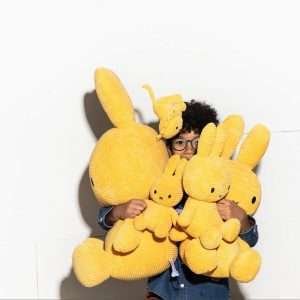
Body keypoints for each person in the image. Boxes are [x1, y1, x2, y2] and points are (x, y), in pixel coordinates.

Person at [97, 100, 258, 300]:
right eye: (180, 142)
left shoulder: (220, 189)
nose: (189, 150)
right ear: (169, 147)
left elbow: (249, 241)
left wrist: (240, 218)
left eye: (197, 143)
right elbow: (105, 220)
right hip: (163, 293)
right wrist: (118, 211)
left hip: (210, 293)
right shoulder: (158, 186)